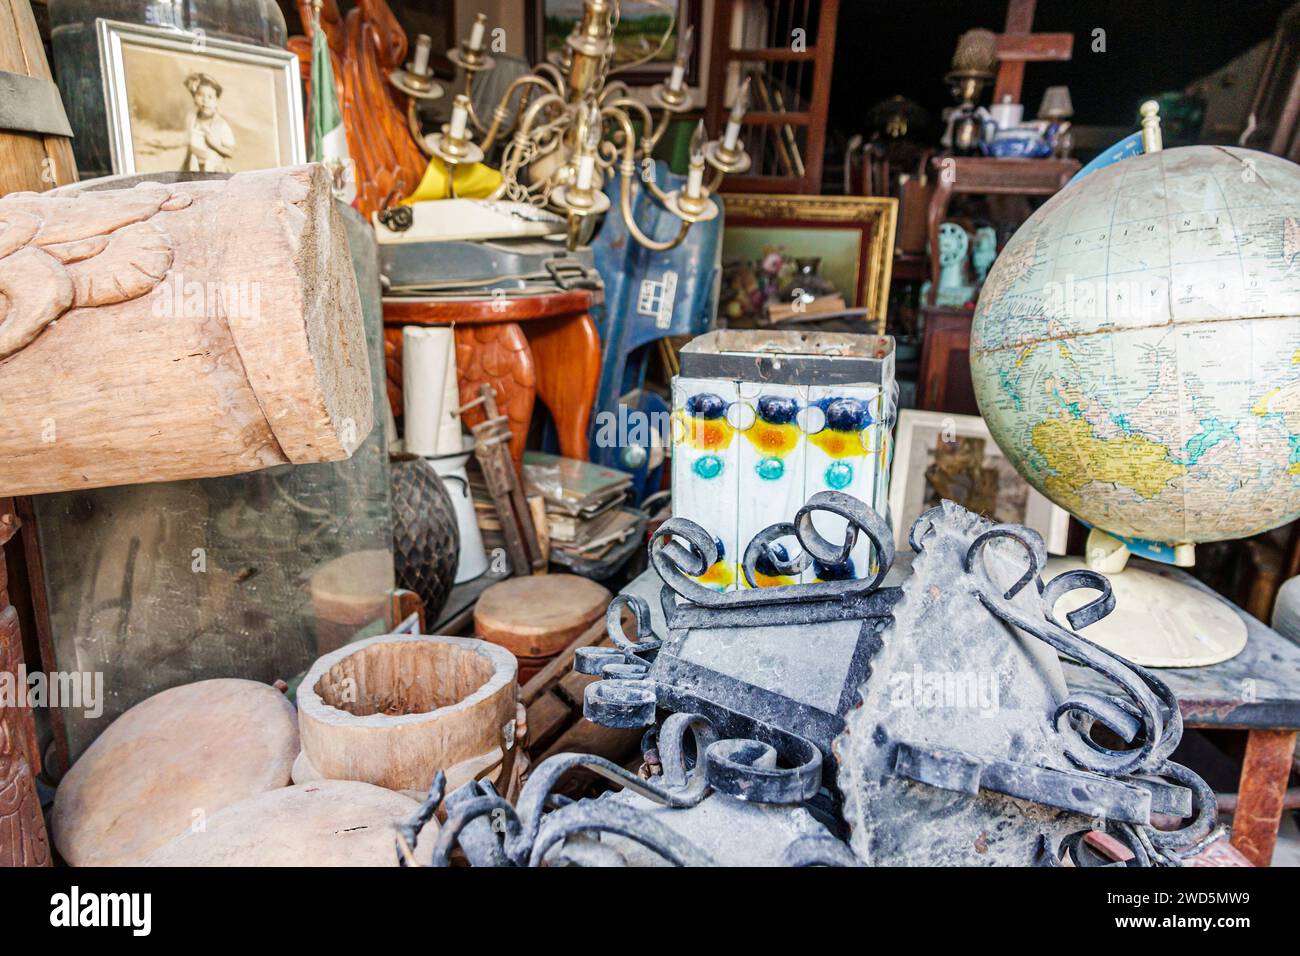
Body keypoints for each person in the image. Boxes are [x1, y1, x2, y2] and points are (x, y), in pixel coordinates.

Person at [182, 73, 235, 173]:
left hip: (214, 171)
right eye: (200, 95)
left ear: (217, 101)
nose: (205, 100)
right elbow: (189, 146)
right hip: (193, 168)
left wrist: (214, 144)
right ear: (194, 98)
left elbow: (230, 152)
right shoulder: (192, 120)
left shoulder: (221, 125)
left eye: (210, 97)